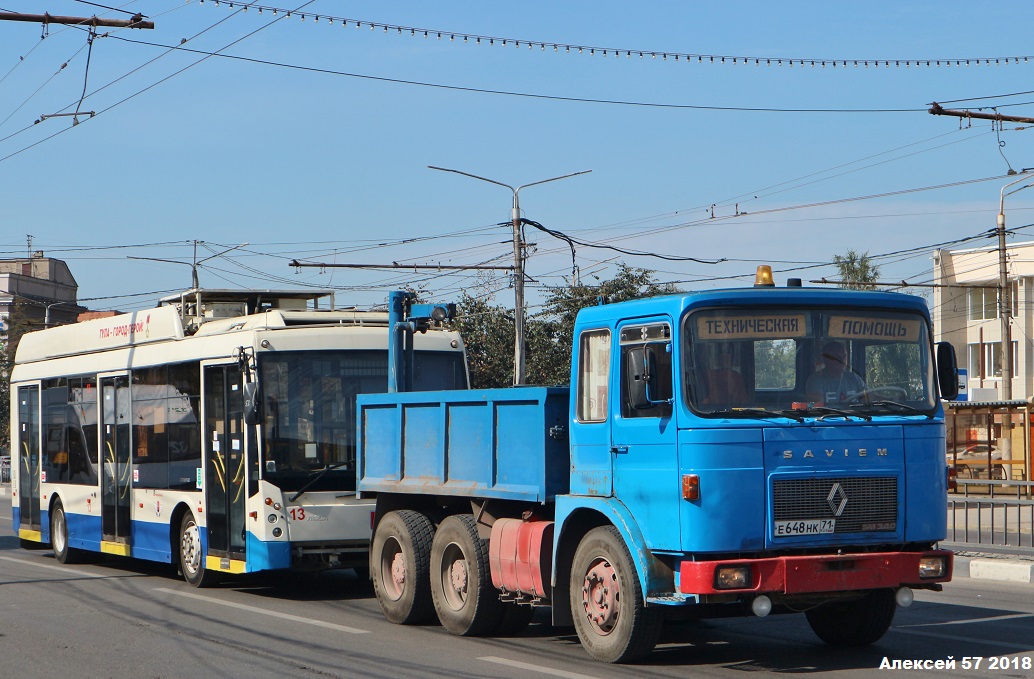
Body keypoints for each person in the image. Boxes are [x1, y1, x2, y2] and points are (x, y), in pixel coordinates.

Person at [806, 341, 865, 406]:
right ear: (826, 359)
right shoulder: (816, 380)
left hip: (855, 415)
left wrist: (876, 398)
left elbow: (869, 397)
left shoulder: (854, 378)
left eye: (844, 356)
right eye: (837, 357)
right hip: (828, 416)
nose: (842, 360)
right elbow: (817, 408)